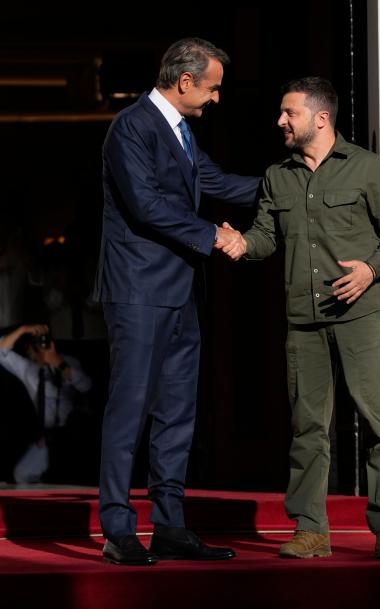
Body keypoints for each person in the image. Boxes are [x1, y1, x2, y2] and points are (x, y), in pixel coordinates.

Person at [219, 77, 380, 560]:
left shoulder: (367, 169)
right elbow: (266, 235)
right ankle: (311, 529)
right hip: (303, 321)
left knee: (378, 422)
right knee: (308, 426)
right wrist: (242, 244)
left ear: (320, 118)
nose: (280, 121)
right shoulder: (277, 175)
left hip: (360, 316)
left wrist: (370, 268)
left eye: (290, 113)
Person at [93, 37, 259, 566]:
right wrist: (214, 235)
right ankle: (119, 529)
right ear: (185, 81)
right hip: (140, 293)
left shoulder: (182, 132)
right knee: (130, 408)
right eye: (212, 88)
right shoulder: (132, 127)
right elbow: (145, 206)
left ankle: (169, 526)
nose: (215, 99)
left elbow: (218, 182)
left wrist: (296, 183)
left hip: (183, 292)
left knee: (177, 413)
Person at [0, 324, 92, 483]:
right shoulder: (28, 369)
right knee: (22, 474)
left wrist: (56, 361)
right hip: (48, 437)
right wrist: (24, 330)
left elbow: (85, 385)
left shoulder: (66, 361)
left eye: (42, 343)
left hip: (72, 435)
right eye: (34, 345)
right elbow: (1, 351)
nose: (37, 349)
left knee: (73, 477)